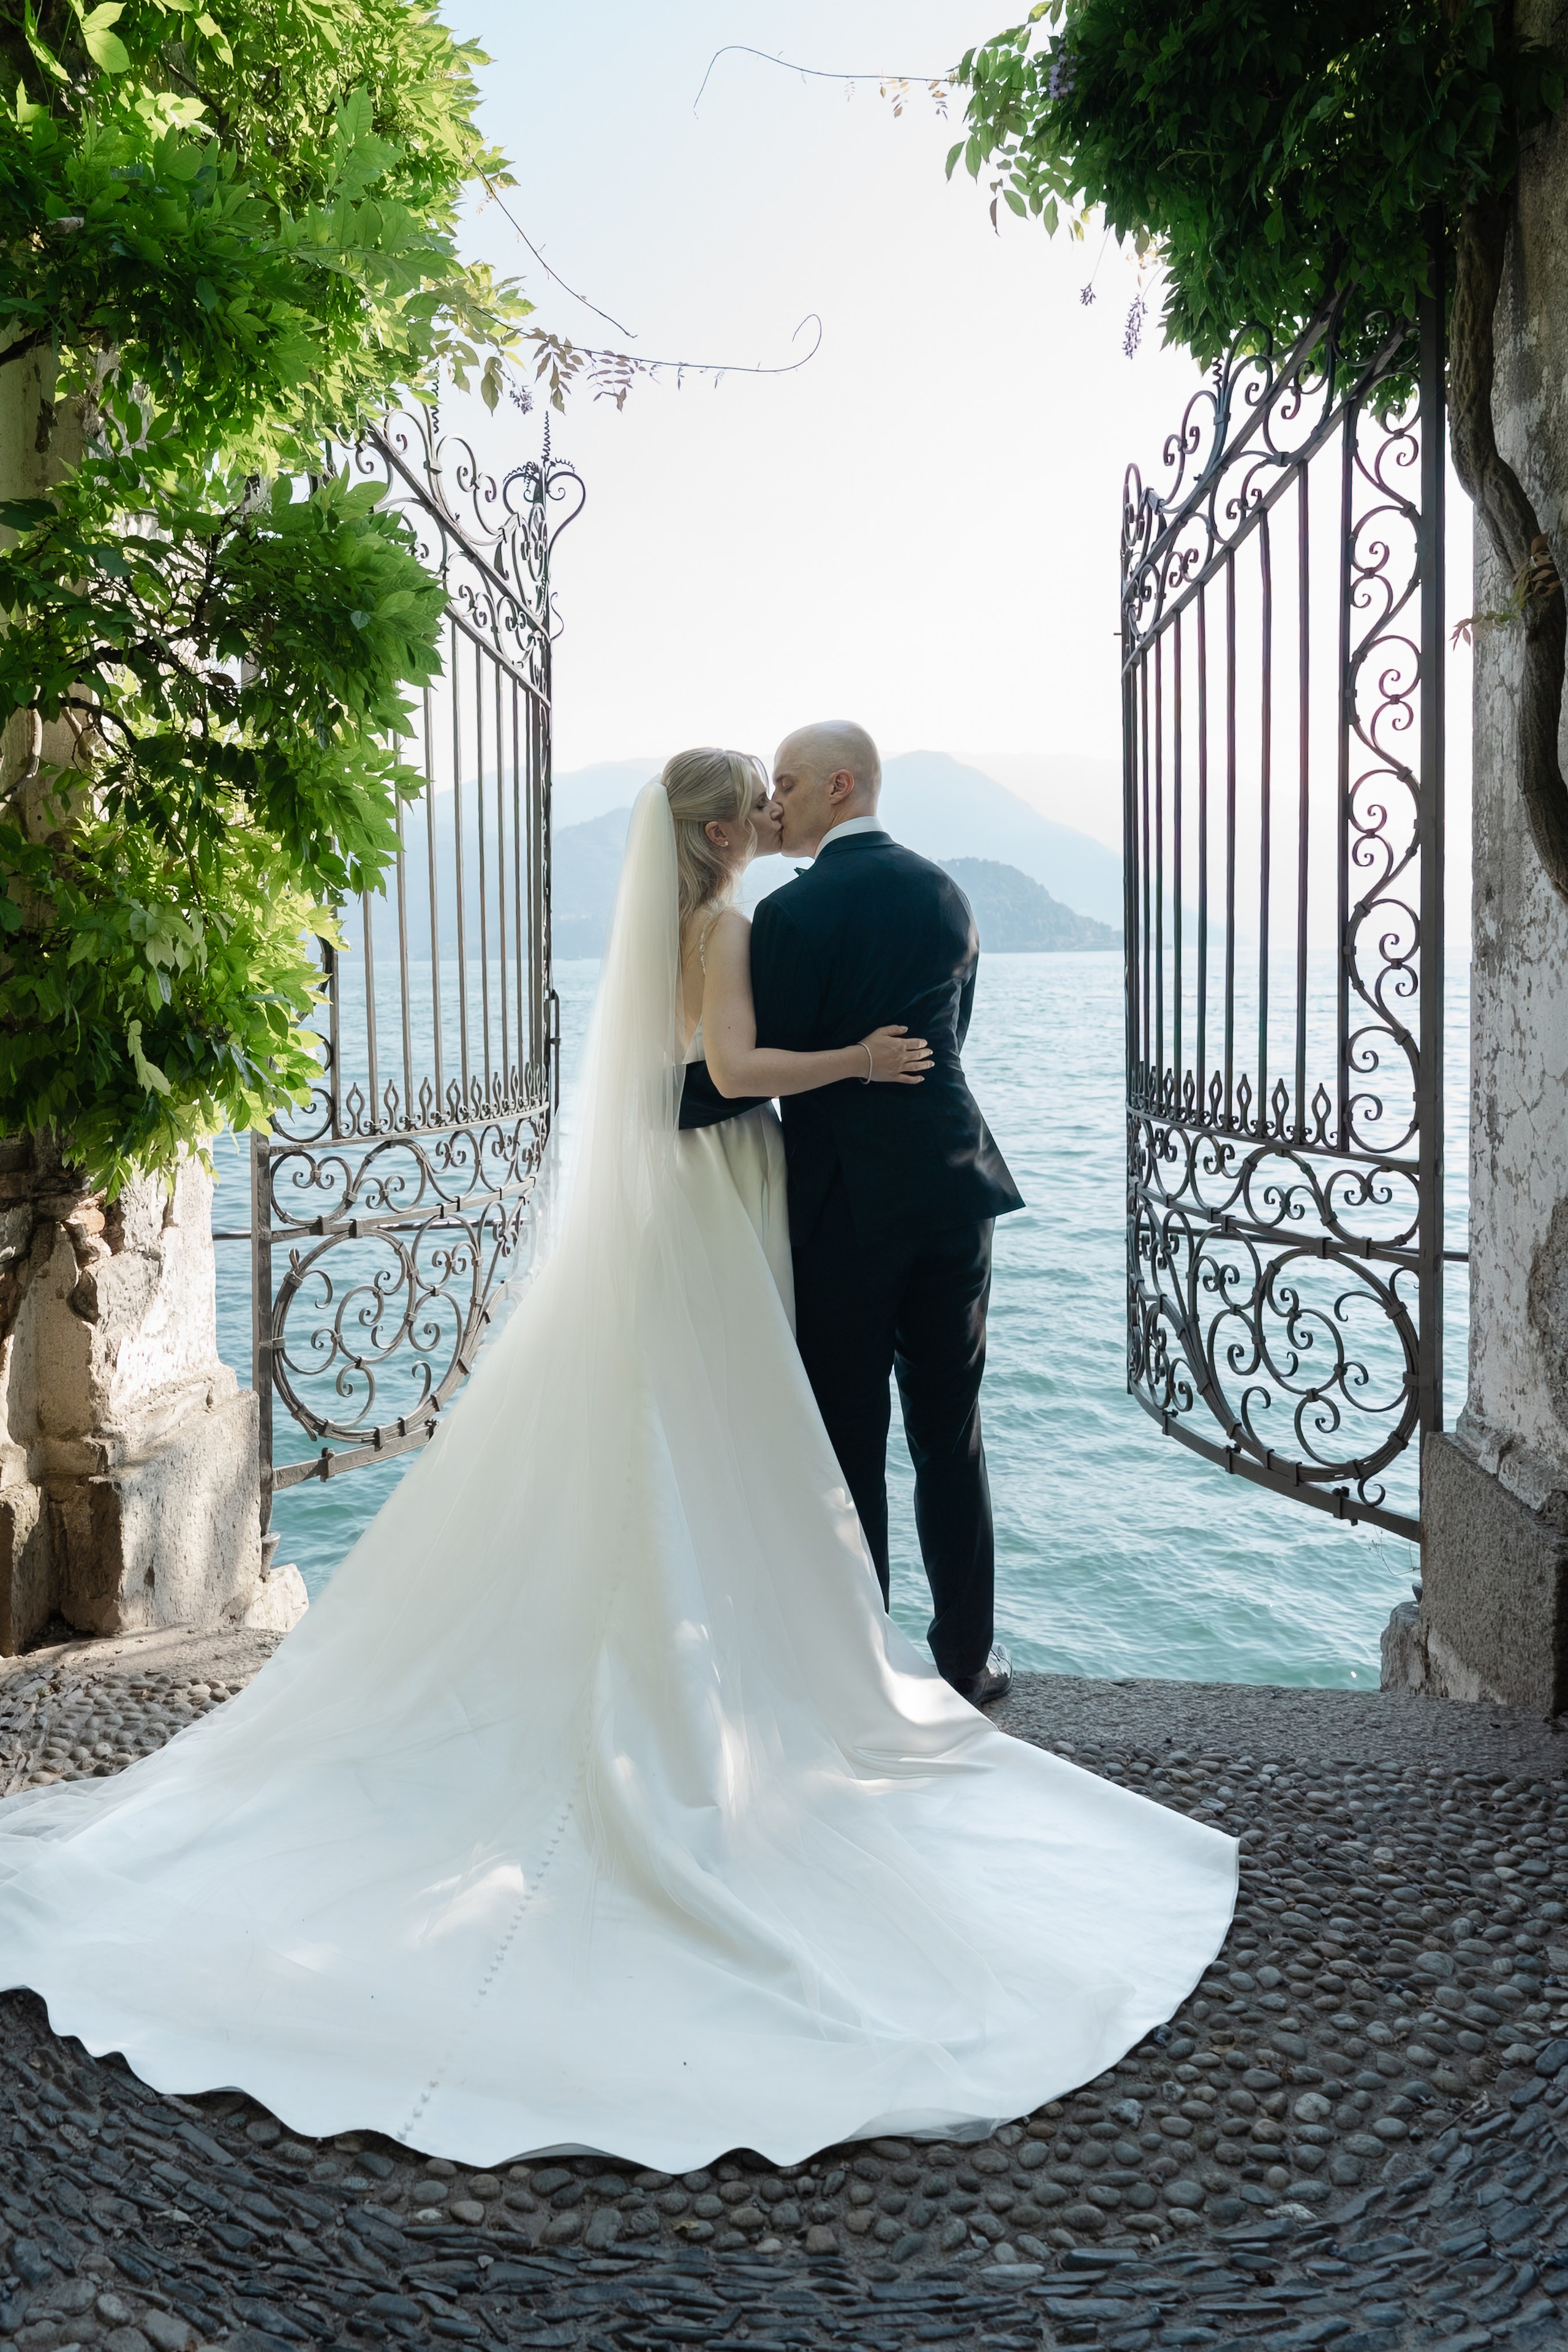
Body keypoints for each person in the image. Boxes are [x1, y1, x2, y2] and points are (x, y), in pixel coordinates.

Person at [0, 748, 1236, 2170]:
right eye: (754, 802)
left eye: (787, 791)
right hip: (743, 1182)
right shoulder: (745, 923)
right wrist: (853, 1059)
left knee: (700, 1420)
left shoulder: (682, 922)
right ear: (725, 830)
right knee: (780, 1424)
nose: (772, 812)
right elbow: (726, 1073)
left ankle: (764, 1641)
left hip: (692, 1189)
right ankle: (853, 1656)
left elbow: (681, 1077)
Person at [746, 722, 1021, 1706]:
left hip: (844, 1207)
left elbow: (755, 1067)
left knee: (848, 1435)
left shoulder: (792, 914)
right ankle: (967, 1660)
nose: (774, 799)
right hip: (956, 1190)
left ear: (839, 784)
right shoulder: (945, 892)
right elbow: (957, 1032)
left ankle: (862, 1661)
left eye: (787, 780)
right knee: (953, 1429)